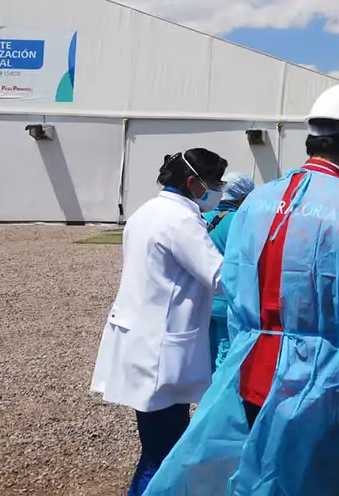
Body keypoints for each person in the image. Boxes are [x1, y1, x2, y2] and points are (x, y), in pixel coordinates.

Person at [141, 83, 339, 496]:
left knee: (258, 478)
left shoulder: (257, 202)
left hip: (254, 374)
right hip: (328, 389)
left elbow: (236, 297)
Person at [90, 148, 229, 496]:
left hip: (141, 341)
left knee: (156, 449)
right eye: (214, 182)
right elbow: (220, 275)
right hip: (161, 351)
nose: (217, 190)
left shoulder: (146, 212)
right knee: (164, 458)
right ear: (193, 182)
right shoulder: (180, 220)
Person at [201, 172, 256, 374]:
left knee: (206, 352)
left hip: (203, 297)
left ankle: (204, 397)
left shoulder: (200, 218)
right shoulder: (242, 222)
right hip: (229, 300)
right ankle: (220, 400)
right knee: (226, 354)